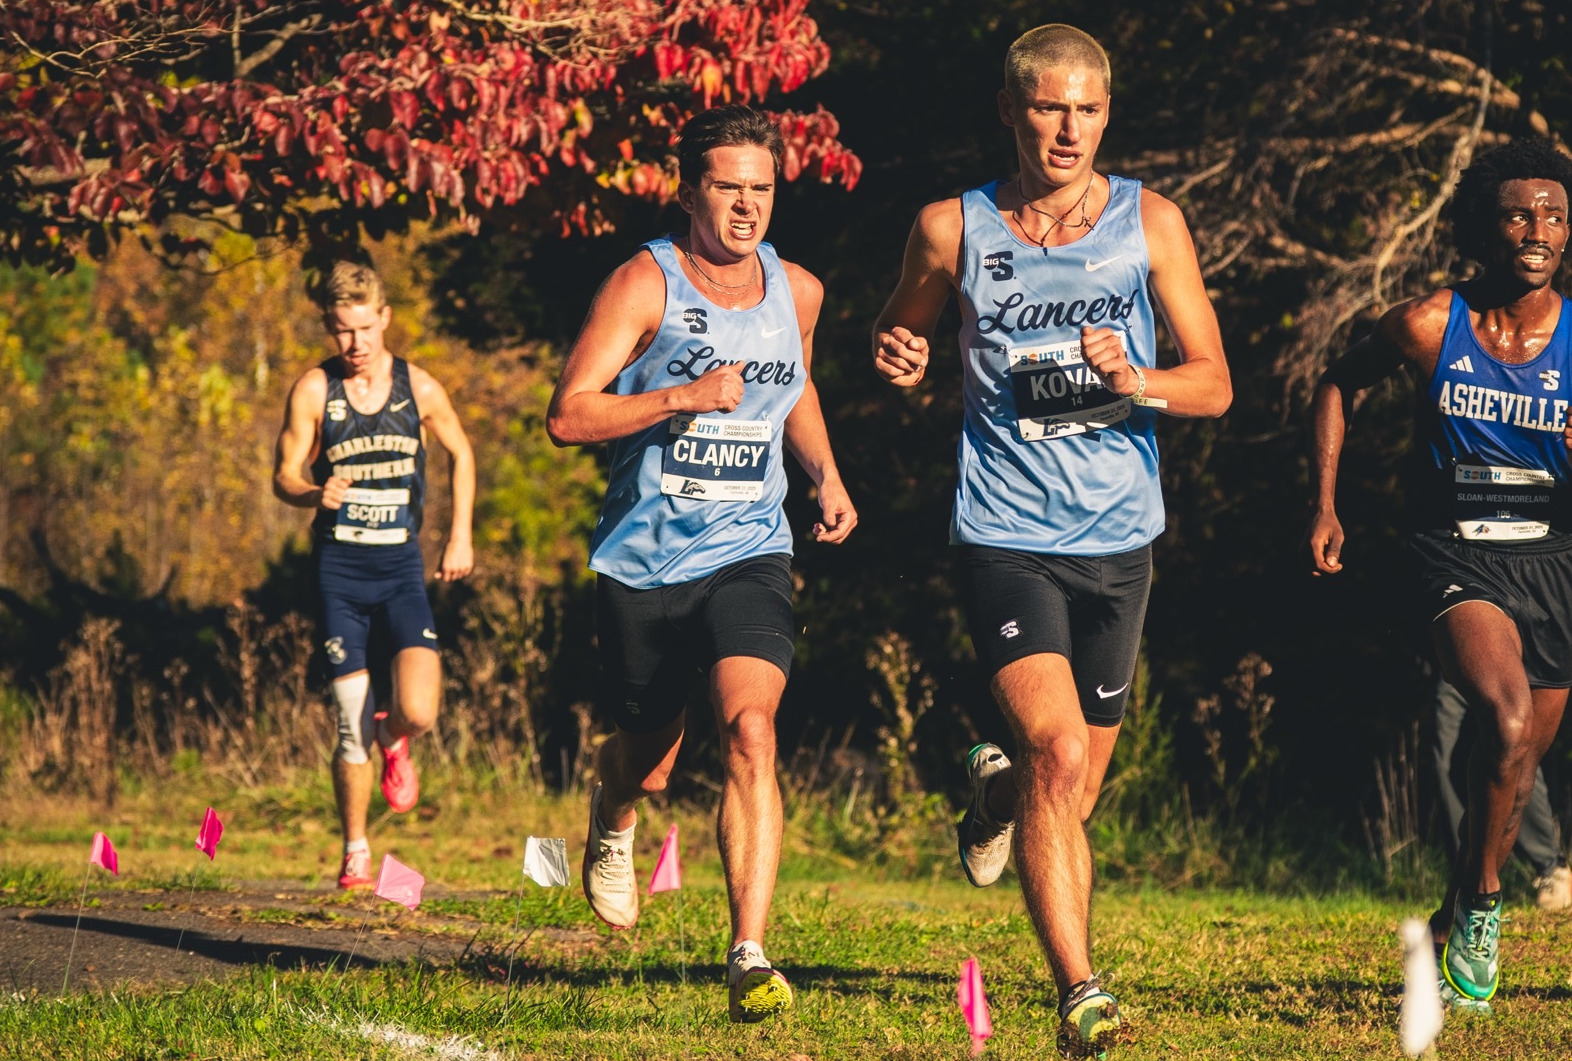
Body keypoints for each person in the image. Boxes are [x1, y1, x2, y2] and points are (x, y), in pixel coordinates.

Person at [872, 24, 1231, 1057]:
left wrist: (1139, 381)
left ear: (1106, 114)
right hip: (1004, 527)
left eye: (1086, 109)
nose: (1067, 129)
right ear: (1009, 111)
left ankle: (995, 793)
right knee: (1059, 747)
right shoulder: (952, 228)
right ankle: (1080, 990)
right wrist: (896, 357)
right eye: (1046, 108)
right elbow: (898, 336)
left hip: (1120, 535)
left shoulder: (1150, 222)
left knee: (1068, 793)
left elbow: (1214, 380)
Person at [1307, 137, 1572, 1007]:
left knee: (1518, 761)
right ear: (1486, 225)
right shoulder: (1428, 325)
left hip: (1552, 564)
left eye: (1556, 216)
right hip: (1452, 553)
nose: (1540, 229)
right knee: (1504, 712)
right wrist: (1326, 504)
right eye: (1521, 213)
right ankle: (1488, 902)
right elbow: (1338, 383)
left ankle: (1461, 894)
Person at [546, 104, 856, 1025]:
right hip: (643, 560)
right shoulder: (644, 284)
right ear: (688, 191)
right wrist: (680, 396)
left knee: (752, 728)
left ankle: (748, 951)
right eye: (728, 186)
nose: (746, 206)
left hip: (749, 546)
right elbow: (569, 414)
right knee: (649, 755)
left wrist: (826, 474)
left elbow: (792, 390)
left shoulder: (796, 290)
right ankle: (613, 810)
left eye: (761, 189)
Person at [272, 261, 477, 889]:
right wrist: (313, 492)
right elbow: (283, 475)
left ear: (384, 318)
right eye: (341, 331)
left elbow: (461, 452)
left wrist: (459, 535)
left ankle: (396, 735)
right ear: (329, 329)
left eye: (364, 329)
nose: (354, 344)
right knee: (348, 724)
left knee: (418, 710)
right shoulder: (314, 390)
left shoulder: (419, 388)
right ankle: (355, 849)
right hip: (340, 572)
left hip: (400, 566)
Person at [1430, 678, 1572, 911]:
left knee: (1510, 751)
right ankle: (1466, 879)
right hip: (1452, 655)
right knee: (1445, 759)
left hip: (1505, 652)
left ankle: (1552, 868)